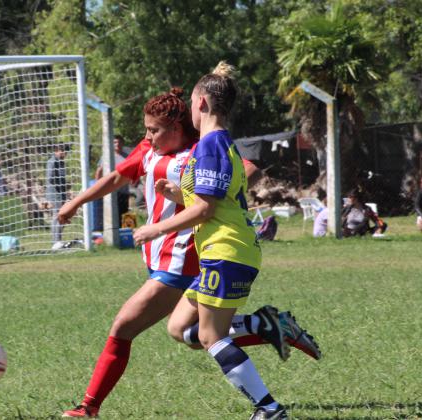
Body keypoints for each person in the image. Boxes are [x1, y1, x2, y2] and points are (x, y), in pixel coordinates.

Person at [58, 88, 319, 419]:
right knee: (187, 333)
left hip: (183, 263)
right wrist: (77, 202)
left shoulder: (201, 147)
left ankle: (88, 407)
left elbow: (246, 171)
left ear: (177, 128)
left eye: (154, 130)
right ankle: (266, 324)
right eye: (147, 130)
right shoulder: (149, 148)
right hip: (162, 261)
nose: (147, 136)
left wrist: (194, 200)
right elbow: (116, 177)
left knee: (124, 326)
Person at [135, 62, 293, 419]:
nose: (190, 109)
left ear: (202, 102)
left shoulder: (209, 146)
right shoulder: (221, 145)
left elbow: (206, 209)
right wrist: (178, 193)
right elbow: (216, 199)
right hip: (227, 251)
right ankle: (263, 326)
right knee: (179, 328)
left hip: (226, 250)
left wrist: (156, 229)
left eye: (191, 102)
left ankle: (268, 409)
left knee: (210, 337)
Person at [94, 135, 131, 216]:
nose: (117, 144)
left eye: (119, 142)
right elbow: (99, 171)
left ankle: (123, 228)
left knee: (123, 214)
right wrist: (98, 186)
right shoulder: (107, 156)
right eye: (115, 142)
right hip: (109, 190)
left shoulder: (127, 157)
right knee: (111, 215)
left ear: (122, 143)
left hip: (123, 191)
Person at [46, 144, 70, 249]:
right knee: (57, 216)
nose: (64, 153)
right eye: (61, 151)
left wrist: (65, 184)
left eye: (65, 151)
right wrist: (60, 185)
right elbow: (50, 178)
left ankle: (58, 240)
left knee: (62, 216)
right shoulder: (52, 161)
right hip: (55, 193)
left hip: (61, 193)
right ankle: (55, 242)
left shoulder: (61, 162)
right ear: (56, 151)